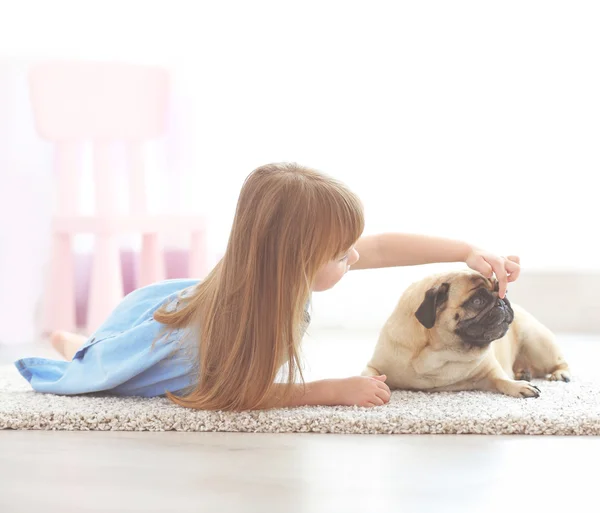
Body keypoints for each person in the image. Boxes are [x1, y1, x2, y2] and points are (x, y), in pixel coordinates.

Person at [15, 162, 520, 411]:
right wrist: (329, 391)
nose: (356, 256)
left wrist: (464, 251)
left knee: (95, 348)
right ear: (297, 262)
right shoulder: (243, 327)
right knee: (98, 371)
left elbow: (382, 246)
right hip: (159, 339)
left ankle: (76, 340)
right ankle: (74, 345)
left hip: (166, 304)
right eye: (342, 255)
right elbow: (237, 393)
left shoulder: (277, 276)